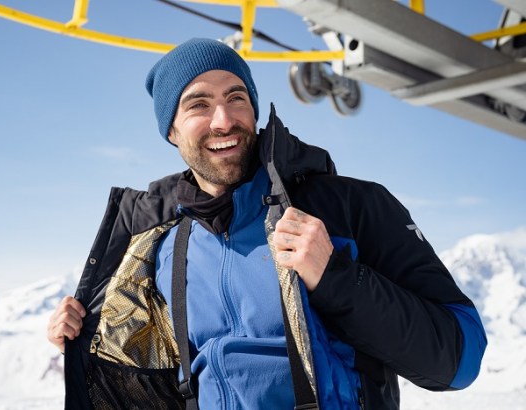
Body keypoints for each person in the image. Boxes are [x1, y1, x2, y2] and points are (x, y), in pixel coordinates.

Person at [47, 38, 487, 409]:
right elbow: (145, 377)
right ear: (172, 132)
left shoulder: (348, 207)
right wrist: (85, 335)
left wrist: (337, 279)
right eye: (199, 104)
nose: (224, 121)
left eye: (236, 98)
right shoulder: (159, 246)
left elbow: (460, 359)